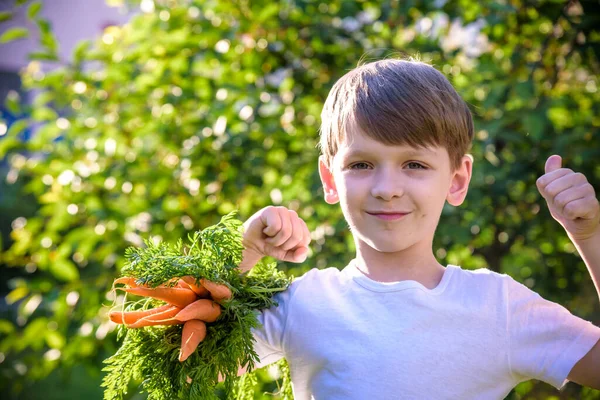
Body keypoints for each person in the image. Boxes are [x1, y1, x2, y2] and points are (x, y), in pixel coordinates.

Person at [237, 58, 600, 399]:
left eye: (414, 164)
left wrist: (590, 238)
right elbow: (183, 367)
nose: (386, 188)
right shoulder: (302, 303)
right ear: (330, 180)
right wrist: (244, 251)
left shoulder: (498, 307)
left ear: (457, 180)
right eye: (361, 164)